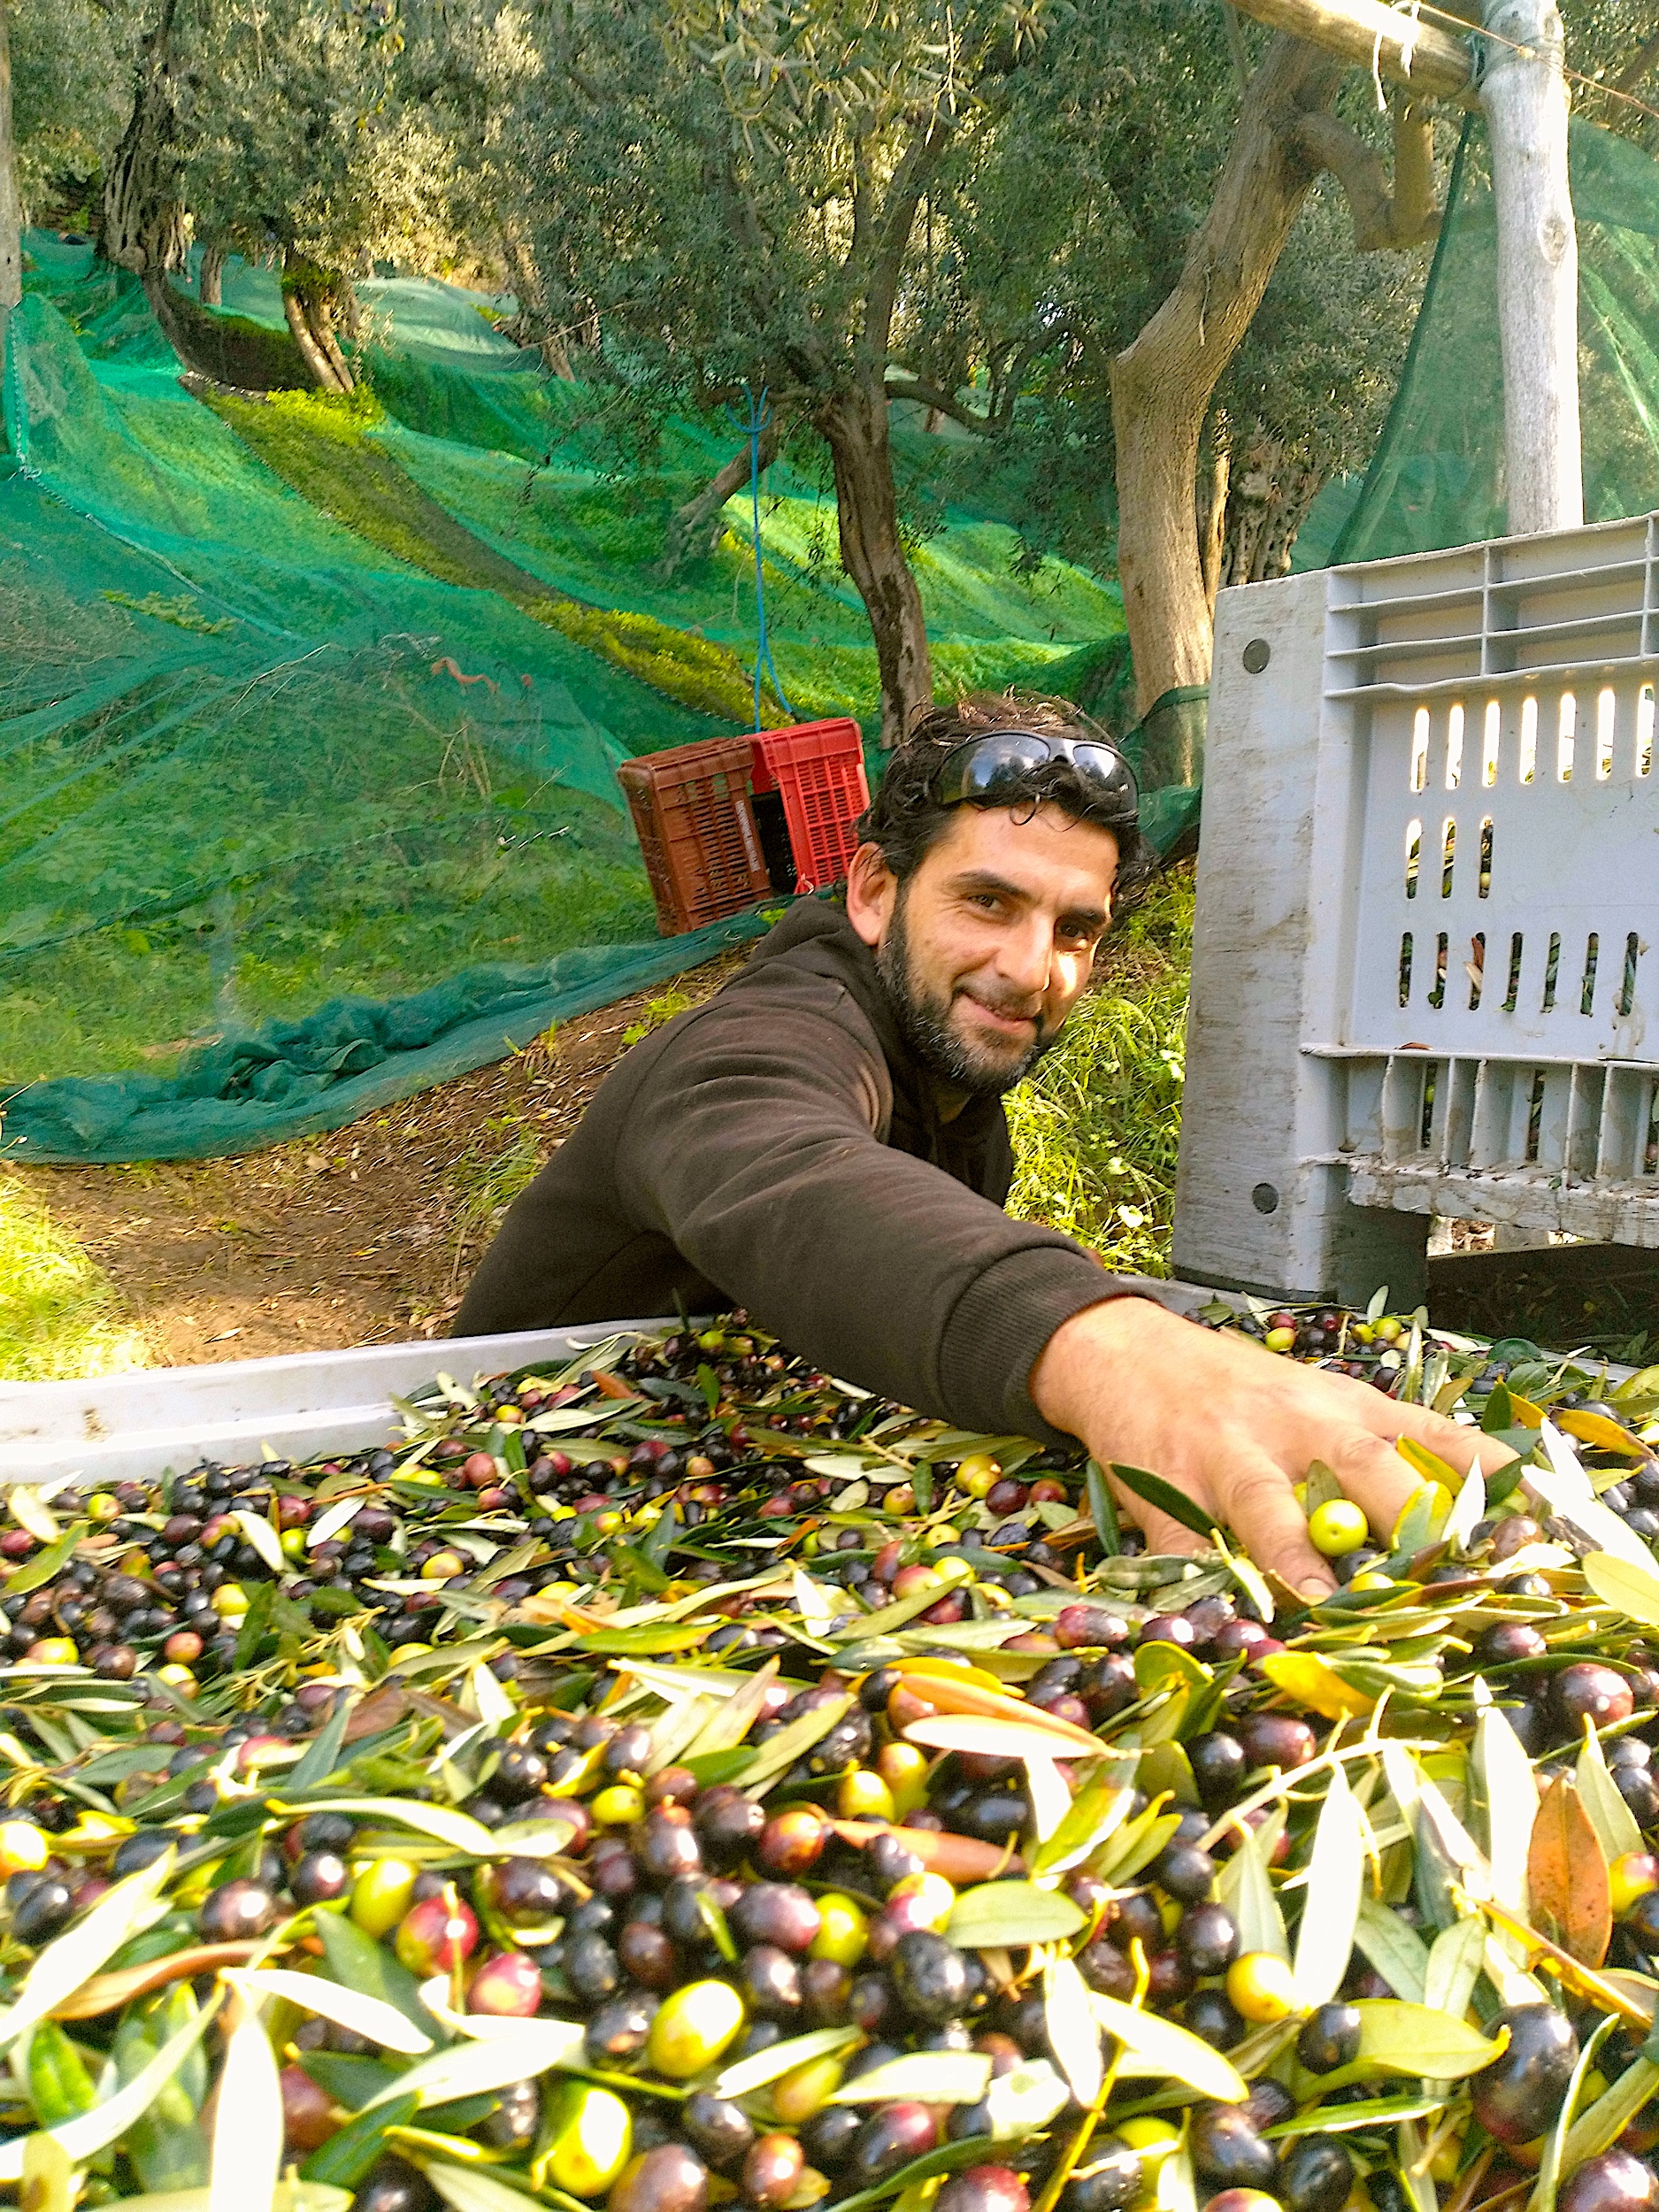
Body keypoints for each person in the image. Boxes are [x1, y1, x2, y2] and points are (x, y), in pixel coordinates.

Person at [456, 693, 1511, 1598]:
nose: (1030, 966)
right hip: (514, 1505)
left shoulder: (959, 1092)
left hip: (726, 1497)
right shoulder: (770, 1035)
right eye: (987, 901)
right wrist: (1119, 1356)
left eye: (1075, 929)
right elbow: (778, 1158)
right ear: (874, 892)